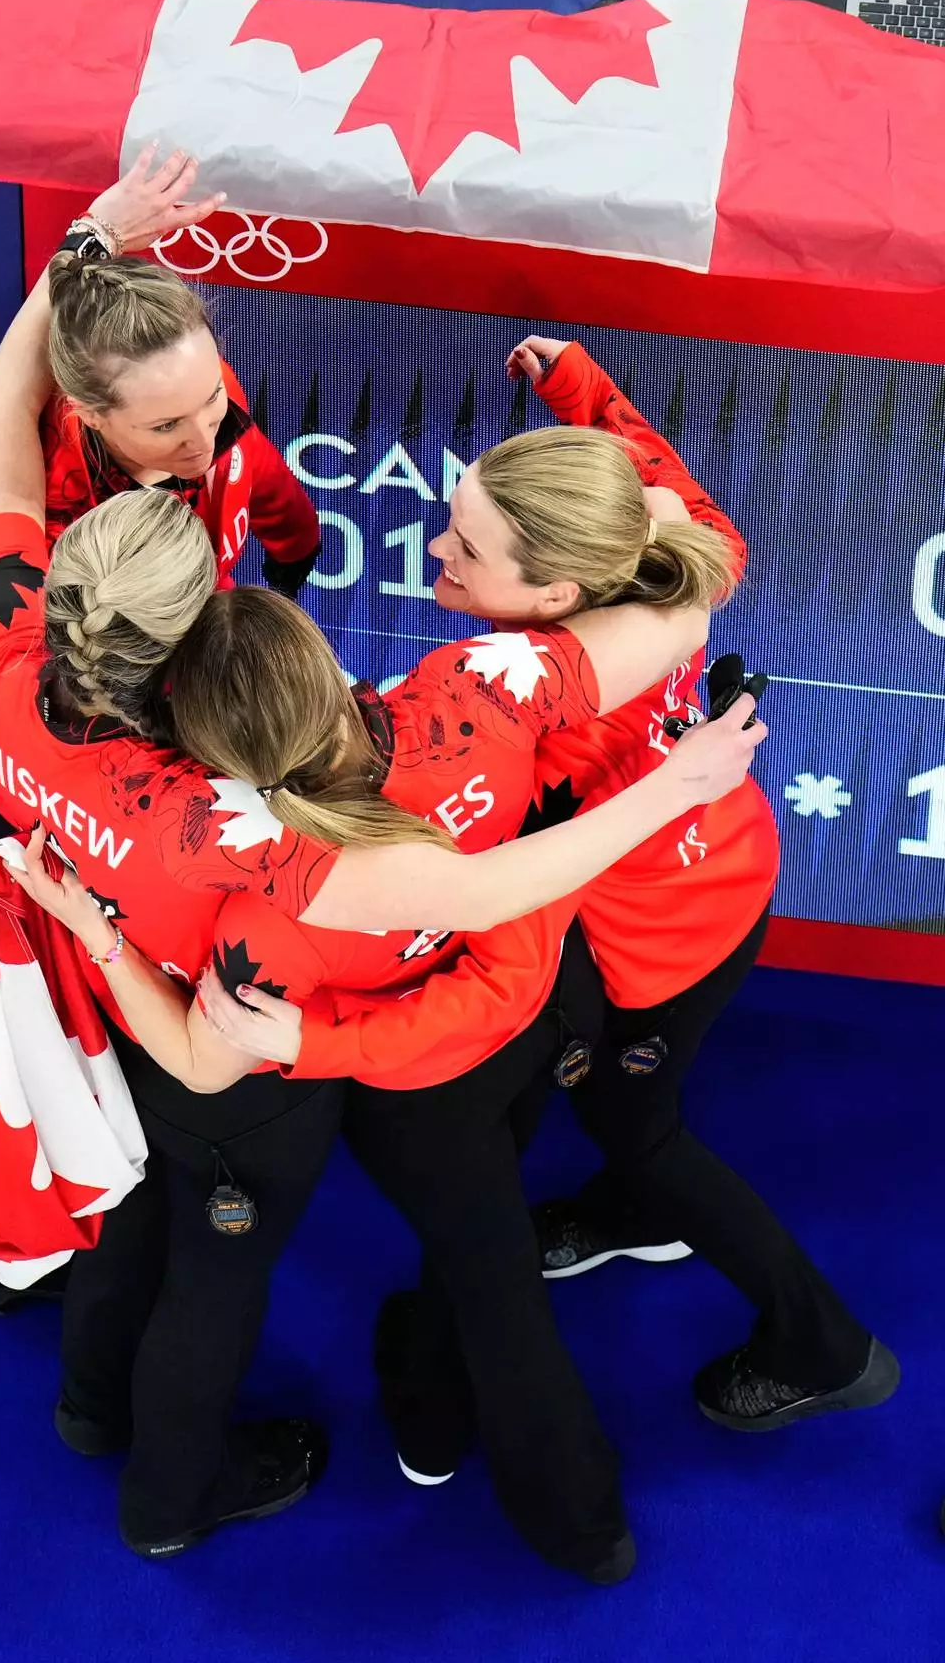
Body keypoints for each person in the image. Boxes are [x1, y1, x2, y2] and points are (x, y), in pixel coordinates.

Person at [0, 163, 766, 1564]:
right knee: (363, 1267)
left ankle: (108, 1419)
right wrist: (675, 787)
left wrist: (84, 257)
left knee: (156, 1230)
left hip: (181, 1026)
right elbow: (490, 879)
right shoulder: (401, 760)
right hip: (364, 1045)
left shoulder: (17, 670)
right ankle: (487, 1509)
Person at [0, 146, 319, 1312]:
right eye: (170, 428)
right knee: (74, 1054)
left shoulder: (194, 406)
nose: (206, 438)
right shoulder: (18, 569)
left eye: (211, 402)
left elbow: (246, 460)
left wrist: (290, 541)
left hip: (201, 809)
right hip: (78, 840)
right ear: (87, 413)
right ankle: (21, 1251)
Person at [418, 332, 898, 1433]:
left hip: (661, 938)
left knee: (638, 1122)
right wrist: (580, 385)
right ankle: (632, 1212)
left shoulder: (525, 697)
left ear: (557, 596)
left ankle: (819, 1343)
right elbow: (652, 473)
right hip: (733, 868)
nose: (436, 545)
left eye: (469, 545)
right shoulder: (681, 549)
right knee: (631, 1103)